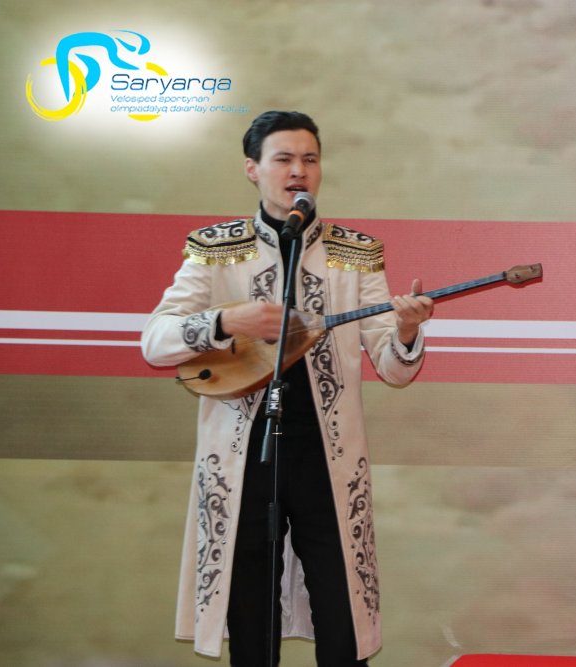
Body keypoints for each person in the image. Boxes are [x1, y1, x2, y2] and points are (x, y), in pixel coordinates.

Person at [141, 110, 434, 666]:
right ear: (252, 169)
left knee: (342, 609)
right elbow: (155, 342)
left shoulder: (354, 252)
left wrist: (405, 331)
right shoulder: (216, 248)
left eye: (310, 159)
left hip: (328, 456)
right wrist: (227, 321)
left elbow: (395, 368)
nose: (299, 171)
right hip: (243, 457)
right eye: (284, 159)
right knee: (250, 611)